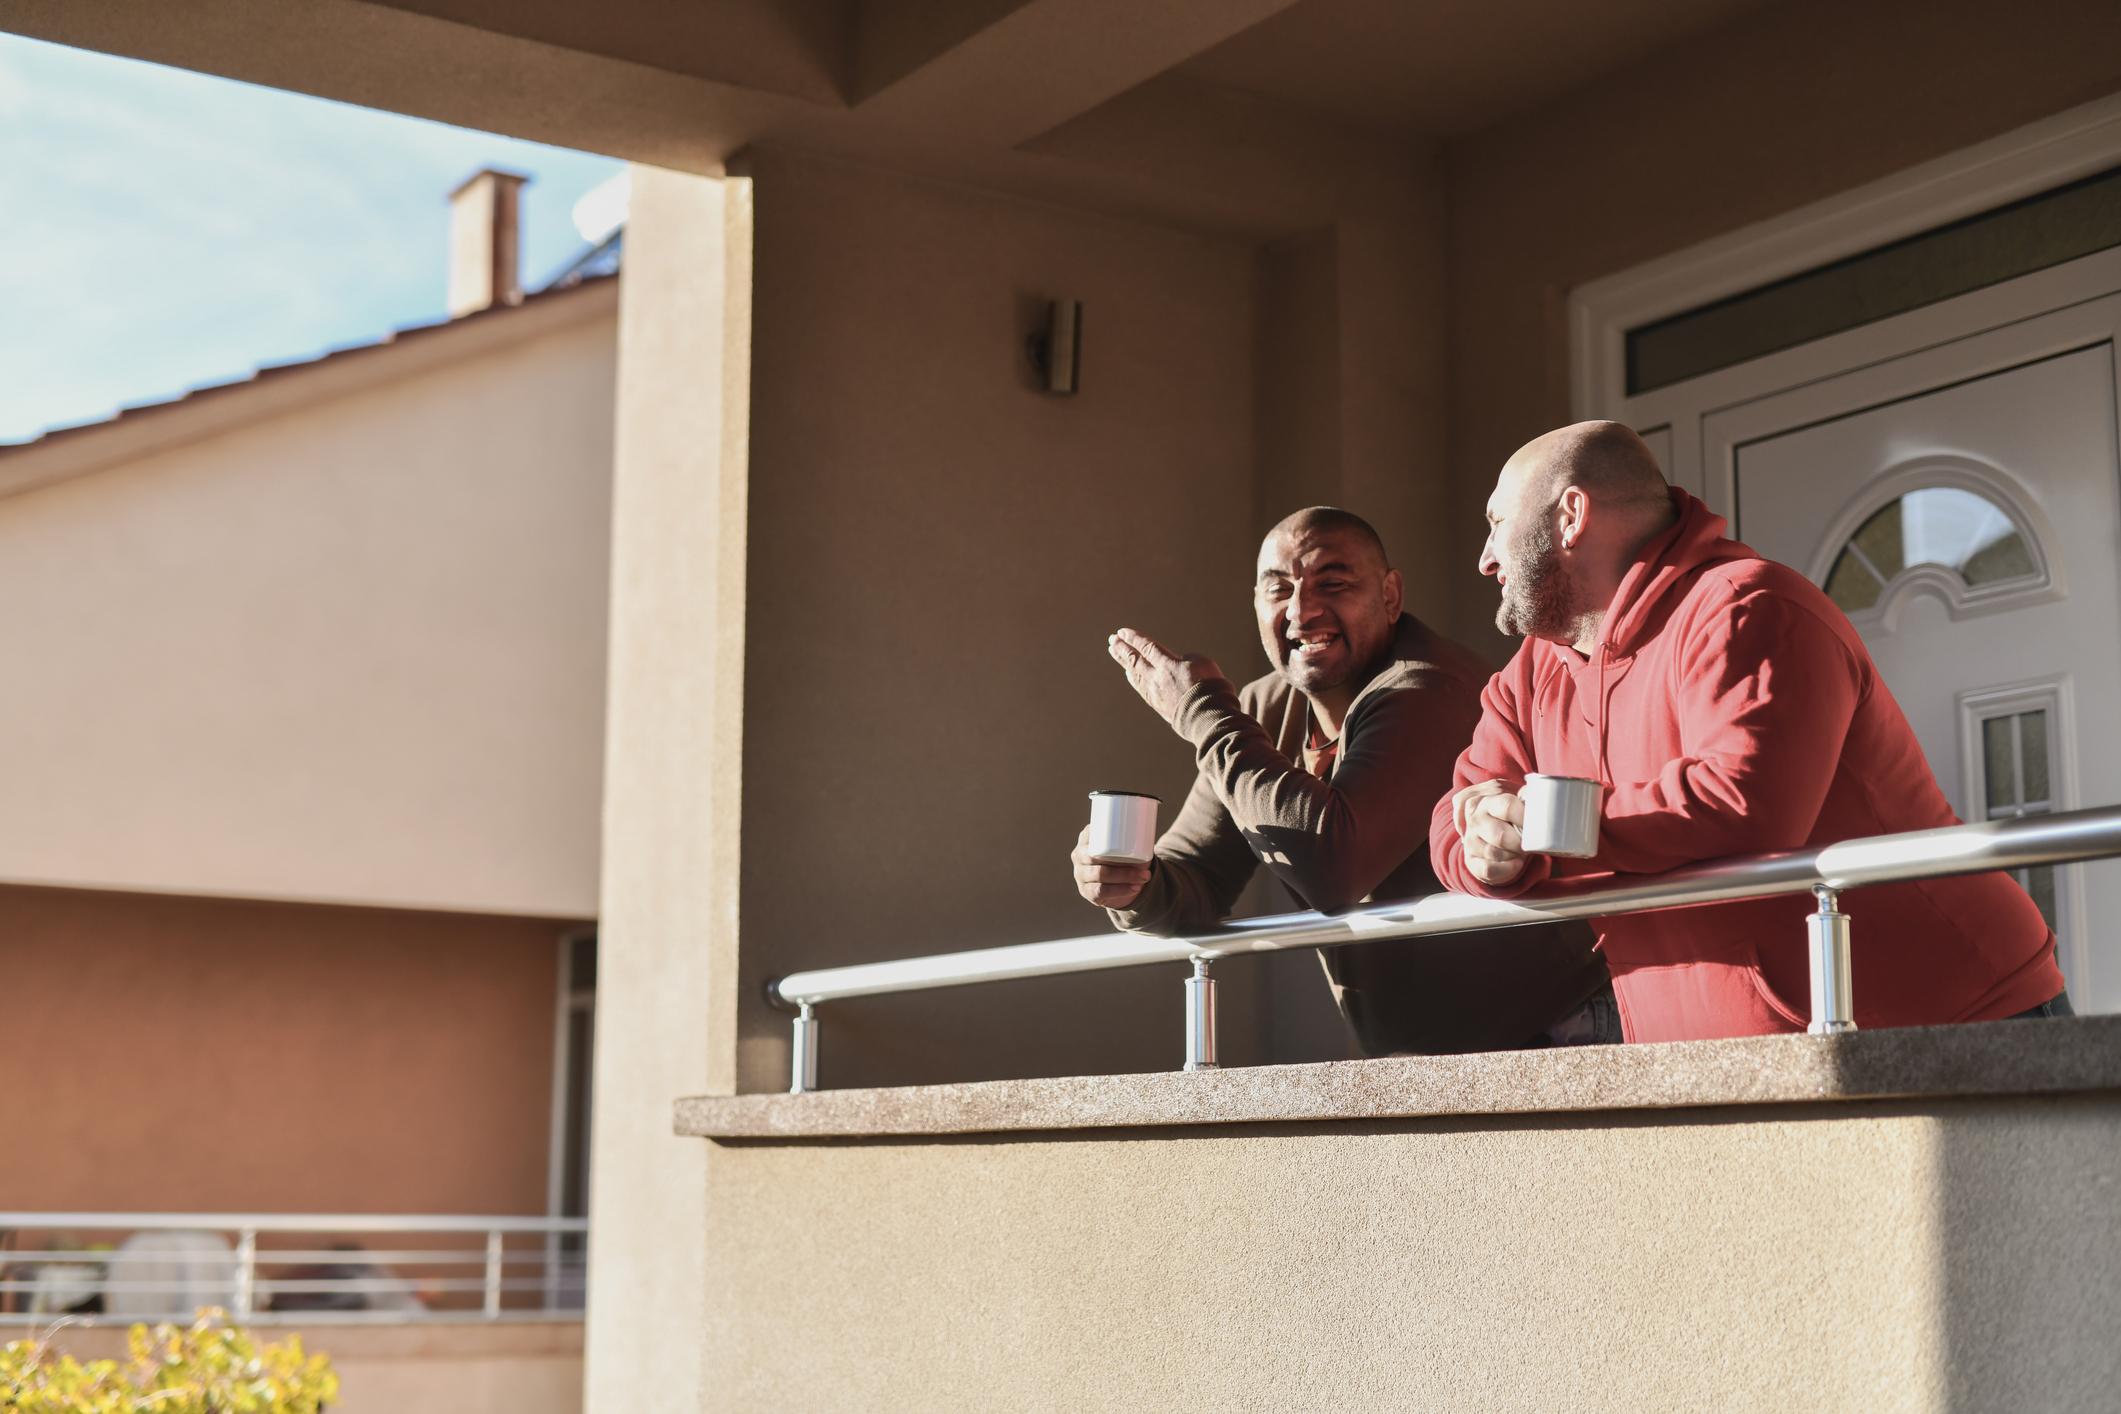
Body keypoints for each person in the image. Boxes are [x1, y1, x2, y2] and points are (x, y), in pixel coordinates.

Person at [1429, 420, 2071, 1042]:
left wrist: (1543, 825)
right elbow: (1454, 820)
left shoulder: (1750, 605)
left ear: (1570, 516)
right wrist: (1490, 854)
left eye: (1496, 524)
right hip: (1725, 1054)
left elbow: (1744, 802)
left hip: (1949, 1016)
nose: (1485, 560)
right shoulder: (1531, 673)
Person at [1073, 506, 1612, 1055]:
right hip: (1426, 1053)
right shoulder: (1259, 710)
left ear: (1390, 596)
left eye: (1333, 583)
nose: (1302, 612)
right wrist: (1130, 883)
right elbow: (1199, 879)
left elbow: (1333, 866)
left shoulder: (1426, 687)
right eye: (1277, 590)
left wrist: (1202, 714)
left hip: (1553, 1029)